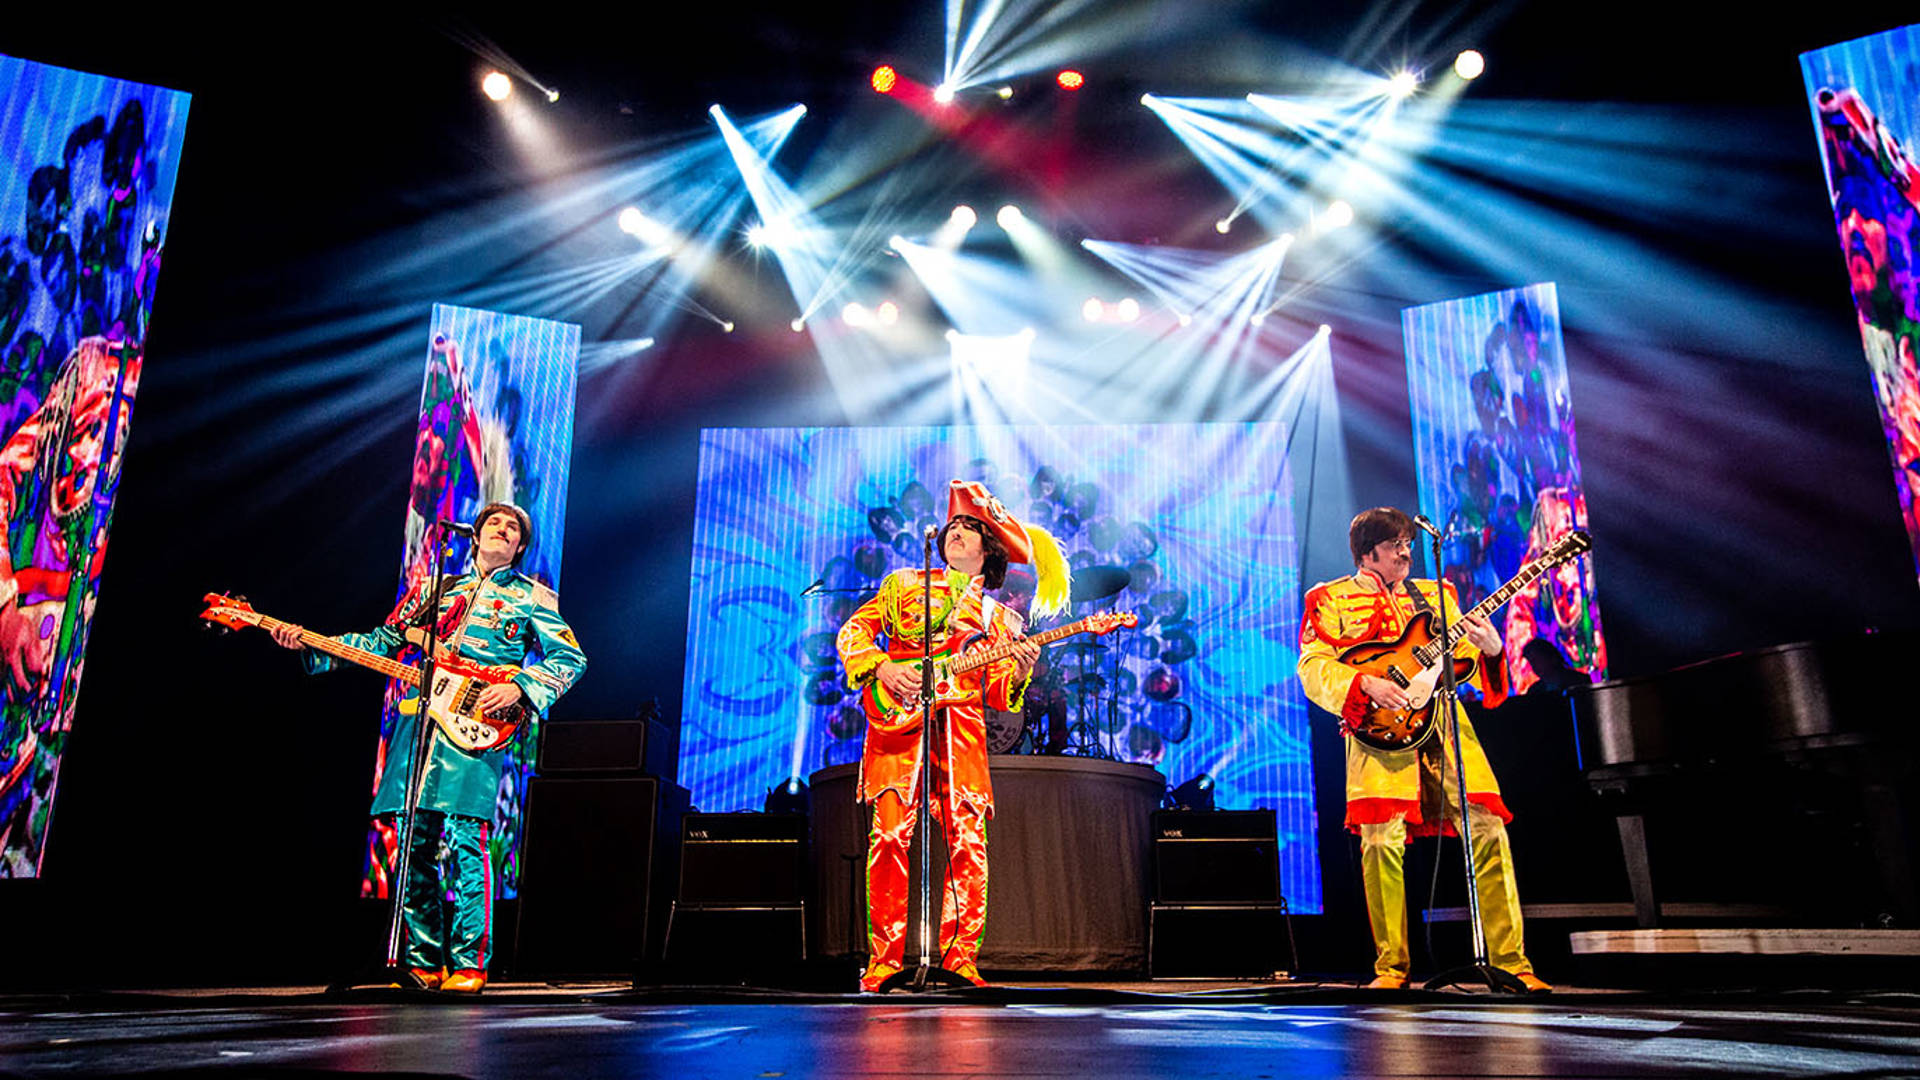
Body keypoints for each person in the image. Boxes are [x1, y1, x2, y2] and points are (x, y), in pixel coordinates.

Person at [272, 502, 585, 993]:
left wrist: (521, 687)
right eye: (494, 523)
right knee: (411, 840)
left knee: (465, 839)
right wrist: (313, 645)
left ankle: (470, 962)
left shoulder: (532, 597)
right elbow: (381, 641)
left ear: (520, 546)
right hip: (421, 722)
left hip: (477, 723)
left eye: (513, 529)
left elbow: (570, 658)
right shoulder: (435, 590)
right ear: (475, 535)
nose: (502, 530)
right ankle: (421, 961)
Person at [1296, 507, 1549, 993]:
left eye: (1408, 542)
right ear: (1367, 552)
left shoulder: (1437, 594)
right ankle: (1392, 969)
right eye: (1394, 544)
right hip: (1379, 732)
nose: (1405, 552)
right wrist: (1363, 683)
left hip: (1445, 724)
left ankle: (1512, 964)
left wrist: (1492, 649)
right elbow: (1312, 666)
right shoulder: (1330, 598)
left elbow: (1466, 663)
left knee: (1488, 828)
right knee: (1380, 843)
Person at [835, 480, 1066, 991]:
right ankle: (884, 963)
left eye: (969, 528)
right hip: (899, 725)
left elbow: (999, 695)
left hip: (961, 732)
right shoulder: (902, 585)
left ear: (989, 548)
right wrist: (881, 666)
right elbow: (854, 632)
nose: (956, 532)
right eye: (953, 526)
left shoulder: (1000, 619)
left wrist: (1021, 667)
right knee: (888, 836)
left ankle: (961, 961)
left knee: (967, 842)